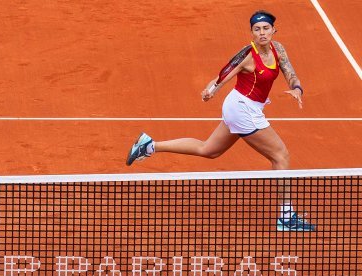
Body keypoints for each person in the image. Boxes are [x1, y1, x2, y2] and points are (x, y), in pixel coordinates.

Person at [126, 10, 315, 232]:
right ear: (252, 33)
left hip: (246, 107)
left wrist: (296, 88)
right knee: (280, 155)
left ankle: (149, 145)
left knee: (209, 150)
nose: (262, 33)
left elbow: (289, 71)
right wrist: (211, 90)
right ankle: (286, 216)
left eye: (266, 28)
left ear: (274, 30)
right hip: (242, 109)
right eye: (257, 29)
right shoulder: (247, 54)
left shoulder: (278, 49)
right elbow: (225, 74)